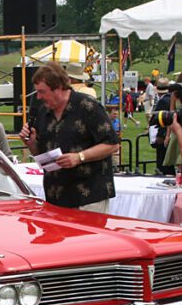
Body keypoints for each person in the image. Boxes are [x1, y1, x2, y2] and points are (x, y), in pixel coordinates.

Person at [19, 62, 119, 212]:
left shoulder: (88, 107)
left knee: (88, 236)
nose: (39, 97)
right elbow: (41, 155)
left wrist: (79, 157)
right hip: (55, 197)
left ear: (58, 88)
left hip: (88, 196)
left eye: (42, 92)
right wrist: (32, 143)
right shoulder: (43, 113)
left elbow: (112, 144)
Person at [152, 78, 174, 175]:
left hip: (163, 134)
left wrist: (160, 135)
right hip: (171, 133)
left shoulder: (163, 101)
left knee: (162, 159)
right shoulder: (171, 98)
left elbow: (162, 120)